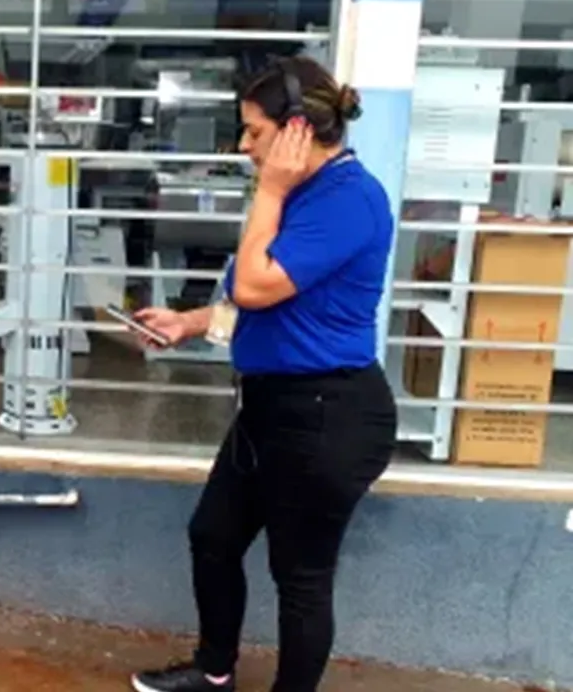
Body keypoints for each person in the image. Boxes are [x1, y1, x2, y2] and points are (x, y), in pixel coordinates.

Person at [128, 56, 398, 692]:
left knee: (300, 577)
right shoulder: (304, 194)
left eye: (254, 131)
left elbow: (254, 286)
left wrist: (269, 193)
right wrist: (189, 323)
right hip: (270, 407)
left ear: (298, 129)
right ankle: (214, 670)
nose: (244, 146)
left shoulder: (348, 199)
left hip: (328, 413)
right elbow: (266, 300)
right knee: (213, 536)